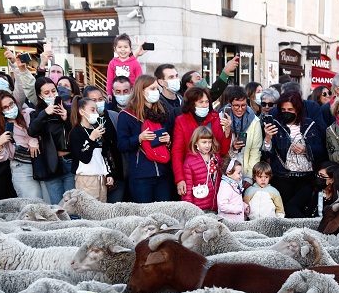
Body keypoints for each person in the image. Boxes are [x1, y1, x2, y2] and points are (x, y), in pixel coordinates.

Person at [260, 90, 325, 217]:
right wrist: (268, 138)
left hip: (305, 177)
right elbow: (267, 154)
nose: (287, 112)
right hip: (282, 177)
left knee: (299, 208)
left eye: (290, 109)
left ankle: (304, 227)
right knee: (286, 210)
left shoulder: (309, 124)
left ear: (298, 109)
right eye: (283, 110)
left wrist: (305, 149)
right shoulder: (275, 125)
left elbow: (319, 149)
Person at [116, 74, 173, 203]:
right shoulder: (127, 115)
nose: (156, 92)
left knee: (164, 212)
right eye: (152, 89)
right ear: (141, 91)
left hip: (163, 173)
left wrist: (168, 141)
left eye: (157, 88)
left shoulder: (163, 113)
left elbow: (173, 142)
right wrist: (139, 138)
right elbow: (122, 145)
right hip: (141, 175)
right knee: (144, 213)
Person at [171, 86, 230, 197]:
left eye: (207, 102)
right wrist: (180, 179)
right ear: (192, 104)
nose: (205, 105)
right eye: (201, 102)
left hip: (212, 173)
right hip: (191, 174)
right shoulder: (181, 121)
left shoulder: (215, 118)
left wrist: (227, 133)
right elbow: (177, 152)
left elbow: (222, 151)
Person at [0, 90, 45, 201]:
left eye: (11, 104)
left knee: (51, 200)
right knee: (33, 203)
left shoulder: (29, 114)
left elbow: (43, 131)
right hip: (21, 166)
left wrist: (33, 139)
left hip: (41, 161)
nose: (10, 108)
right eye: (5, 107)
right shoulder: (0, 128)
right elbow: (0, 158)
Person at [28, 77, 73, 203]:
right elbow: (32, 131)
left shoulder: (67, 110)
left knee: (72, 204)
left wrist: (66, 119)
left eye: (54, 91)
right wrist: (44, 113)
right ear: (40, 95)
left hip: (69, 159)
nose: (52, 95)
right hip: (50, 162)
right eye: (46, 93)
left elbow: (76, 135)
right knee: (57, 205)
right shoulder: (37, 114)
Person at [69, 96, 114, 201]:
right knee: (88, 208)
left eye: (96, 110)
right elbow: (84, 158)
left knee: (102, 208)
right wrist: (91, 139)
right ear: (81, 111)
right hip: (86, 179)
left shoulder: (97, 129)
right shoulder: (76, 132)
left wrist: (109, 173)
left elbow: (104, 154)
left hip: (101, 178)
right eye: (92, 110)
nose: (96, 113)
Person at [182, 125, 221, 212]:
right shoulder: (189, 162)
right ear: (196, 142)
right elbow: (188, 189)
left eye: (210, 142)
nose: (207, 145)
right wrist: (189, 210)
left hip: (216, 206)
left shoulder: (216, 158)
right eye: (204, 142)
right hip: (198, 209)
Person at [219, 86, 256, 167]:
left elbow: (255, 151)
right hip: (227, 167)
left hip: (247, 167)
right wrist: (233, 148)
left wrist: (249, 174)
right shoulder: (220, 118)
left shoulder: (254, 120)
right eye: (236, 105)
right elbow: (220, 150)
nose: (240, 109)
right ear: (230, 103)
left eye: (243, 105)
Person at [245, 87, 278, 173]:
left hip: (276, 163)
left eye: (270, 104)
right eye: (263, 104)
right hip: (259, 160)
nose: (266, 107)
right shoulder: (255, 120)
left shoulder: (279, 121)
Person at [217, 156, 248, 221]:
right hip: (229, 221)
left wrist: (244, 206)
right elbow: (222, 205)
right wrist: (239, 208)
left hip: (236, 220)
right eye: (239, 173)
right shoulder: (226, 187)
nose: (241, 175)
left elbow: (235, 200)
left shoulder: (235, 183)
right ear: (229, 173)